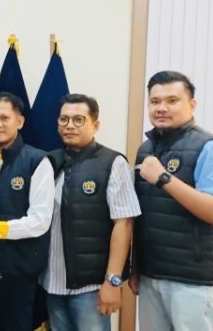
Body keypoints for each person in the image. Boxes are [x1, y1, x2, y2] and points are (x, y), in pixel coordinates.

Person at [130, 71, 213, 331]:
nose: (161, 108)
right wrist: (136, 267)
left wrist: (164, 178)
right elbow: (142, 216)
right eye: (155, 101)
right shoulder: (146, 149)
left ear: (192, 104)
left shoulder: (210, 147)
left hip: (193, 281)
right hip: (151, 275)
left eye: (172, 100)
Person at [42, 94, 141, 331]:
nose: (69, 125)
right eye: (64, 119)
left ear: (95, 125)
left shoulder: (112, 163)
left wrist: (113, 282)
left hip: (91, 287)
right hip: (51, 283)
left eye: (79, 119)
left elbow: (124, 224)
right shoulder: (50, 161)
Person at [0, 92, 54, 331]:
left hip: (17, 272)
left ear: (20, 121)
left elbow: (40, 220)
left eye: (4, 117)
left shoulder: (37, 161)